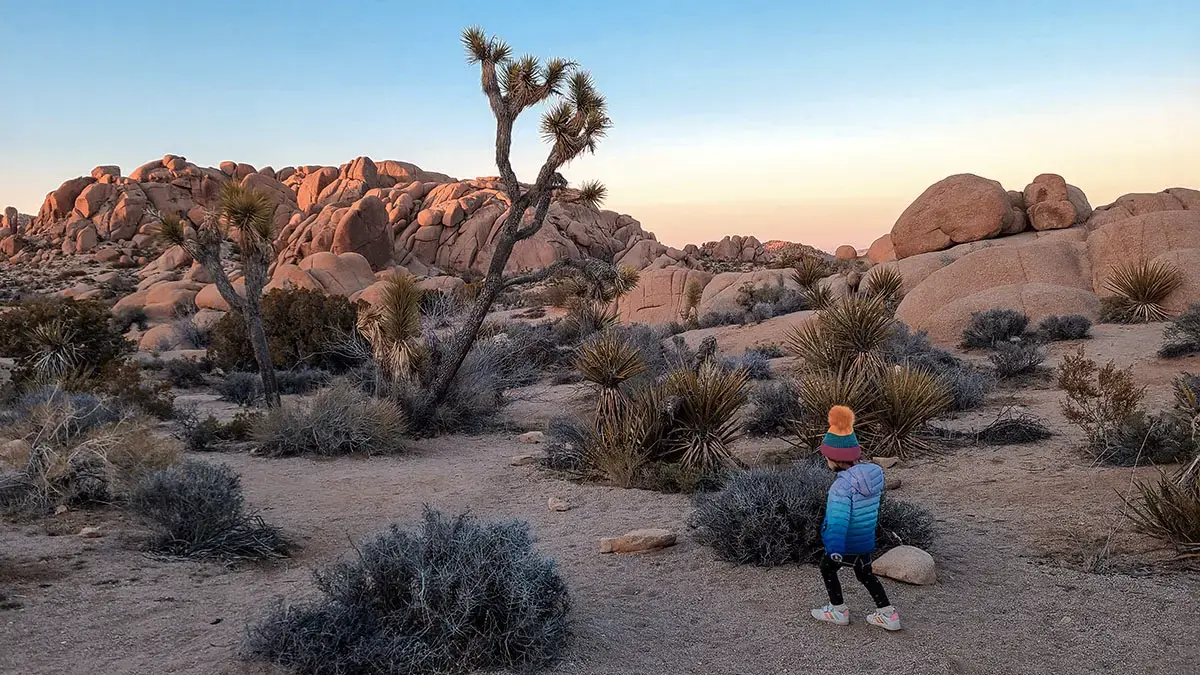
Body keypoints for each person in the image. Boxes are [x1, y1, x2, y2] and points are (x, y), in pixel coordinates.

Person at [810, 405, 902, 631]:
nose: (826, 461)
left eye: (827, 457)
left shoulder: (840, 487)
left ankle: (838, 609)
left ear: (834, 458)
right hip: (865, 539)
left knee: (827, 567)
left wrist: (834, 548)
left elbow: (838, 521)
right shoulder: (874, 474)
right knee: (865, 574)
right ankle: (887, 614)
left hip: (847, 543)